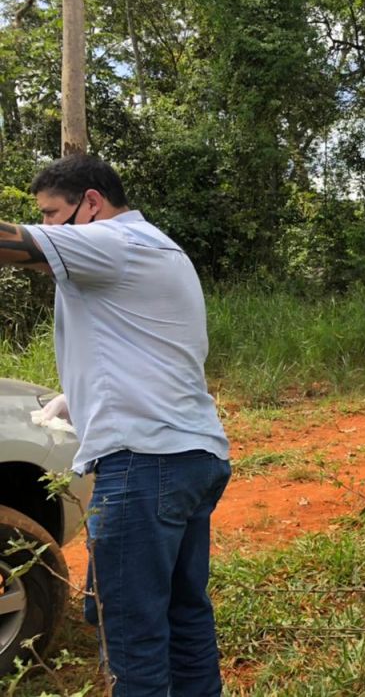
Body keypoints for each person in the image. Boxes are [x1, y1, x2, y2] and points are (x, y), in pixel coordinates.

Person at [0, 154, 232, 696]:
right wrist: (75, 397)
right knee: (184, 615)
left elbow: (16, 247)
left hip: (144, 464)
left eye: (52, 214)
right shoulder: (157, 248)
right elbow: (143, 353)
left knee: (131, 632)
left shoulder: (115, 244)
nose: (46, 227)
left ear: (93, 203)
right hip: (190, 457)